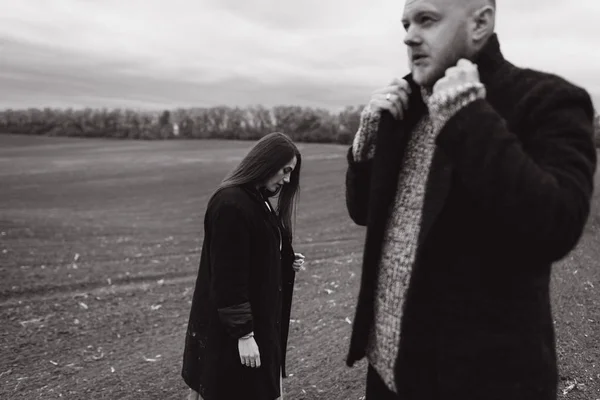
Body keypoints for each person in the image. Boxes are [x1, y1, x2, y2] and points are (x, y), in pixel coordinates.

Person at [344, 0, 597, 399]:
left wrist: (466, 115)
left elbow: (558, 226)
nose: (409, 35)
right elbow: (363, 214)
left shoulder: (549, 100)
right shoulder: (403, 104)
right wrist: (365, 149)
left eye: (426, 19)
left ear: (480, 22)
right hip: (387, 374)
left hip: (483, 383)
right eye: (406, 23)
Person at [182, 132, 305, 400]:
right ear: (266, 162)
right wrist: (244, 335)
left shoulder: (256, 200)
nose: (286, 179)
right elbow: (228, 277)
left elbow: (255, 255)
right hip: (232, 335)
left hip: (257, 325)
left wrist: (284, 260)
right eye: (285, 171)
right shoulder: (231, 203)